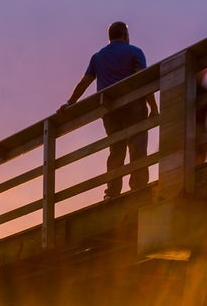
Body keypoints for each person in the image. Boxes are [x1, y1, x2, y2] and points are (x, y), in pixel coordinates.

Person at [67, 21, 156, 199]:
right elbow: (142, 79)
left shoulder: (97, 57)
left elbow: (84, 82)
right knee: (137, 145)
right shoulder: (135, 52)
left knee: (116, 150)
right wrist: (153, 106)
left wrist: (70, 102)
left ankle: (112, 192)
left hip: (110, 112)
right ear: (125, 35)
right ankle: (138, 186)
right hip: (134, 107)